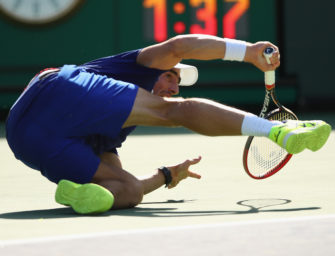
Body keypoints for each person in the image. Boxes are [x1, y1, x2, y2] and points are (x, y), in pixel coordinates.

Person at [6, 34, 331, 214]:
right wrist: (247, 51)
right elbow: (180, 47)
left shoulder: (112, 130)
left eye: (178, 83)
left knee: (128, 190)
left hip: (25, 140)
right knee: (171, 111)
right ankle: (277, 131)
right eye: (170, 75)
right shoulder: (139, 66)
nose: (173, 86)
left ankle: (81, 197)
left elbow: (131, 185)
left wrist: (166, 176)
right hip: (55, 91)